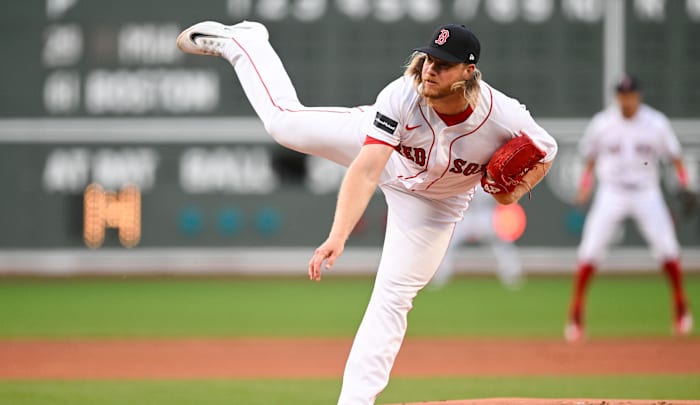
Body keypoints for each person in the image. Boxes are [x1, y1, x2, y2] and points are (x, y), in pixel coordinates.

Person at [177, 21, 557, 404]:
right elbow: (367, 169)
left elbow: (548, 148)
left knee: (393, 297)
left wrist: (516, 190)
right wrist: (338, 235)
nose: (430, 68)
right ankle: (246, 43)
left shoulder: (501, 116)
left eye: (444, 64)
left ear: (468, 72)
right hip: (382, 152)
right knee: (283, 124)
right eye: (429, 58)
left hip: (435, 205)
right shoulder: (402, 96)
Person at [564, 75, 693, 343]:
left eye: (630, 94)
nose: (626, 99)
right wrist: (585, 186)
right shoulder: (602, 123)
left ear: (639, 96)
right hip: (611, 192)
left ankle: (681, 308)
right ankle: (575, 315)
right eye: (621, 95)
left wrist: (684, 183)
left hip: (647, 192)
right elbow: (590, 159)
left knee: (668, 250)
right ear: (616, 97)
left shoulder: (656, 123)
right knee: (589, 251)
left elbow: (675, 156)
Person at [430, 190, 524, 289]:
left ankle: (512, 274)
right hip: (464, 215)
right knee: (446, 243)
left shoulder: (489, 177)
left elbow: (501, 196)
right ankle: (438, 276)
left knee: (502, 243)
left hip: (486, 215)